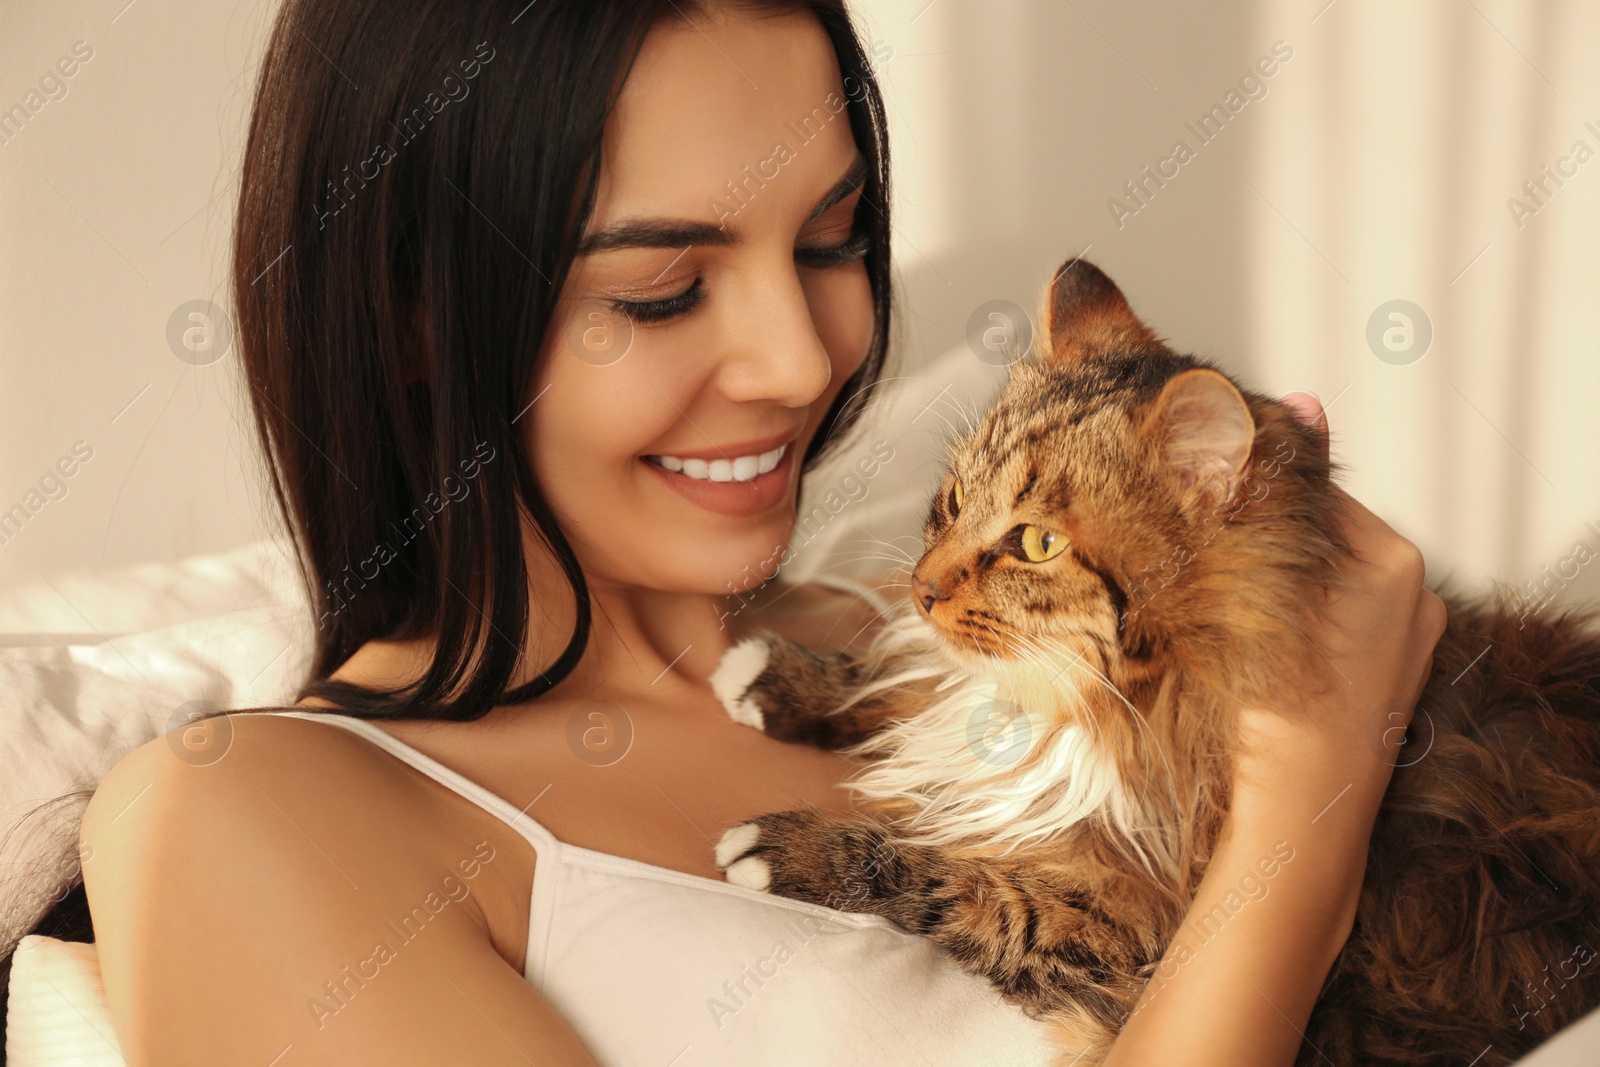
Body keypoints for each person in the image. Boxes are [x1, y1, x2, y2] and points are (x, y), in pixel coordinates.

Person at [60, 0, 1446, 1064]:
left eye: (833, 240)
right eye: (666, 288)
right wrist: (1311, 792)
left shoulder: (914, 658)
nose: (799, 358)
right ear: (414, 315)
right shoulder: (242, 817)